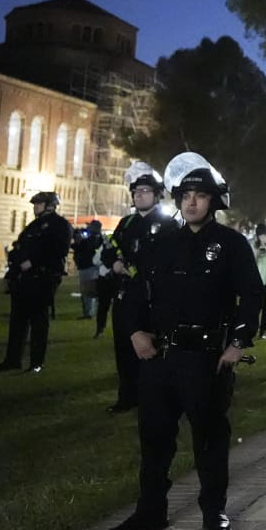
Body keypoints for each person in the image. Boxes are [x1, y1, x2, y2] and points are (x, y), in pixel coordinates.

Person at [104, 152, 261, 530]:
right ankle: (150, 512)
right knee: (154, 439)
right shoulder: (161, 243)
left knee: (209, 439)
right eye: (186, 195)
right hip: (159, 358)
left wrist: (237, 344)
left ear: (213, 201)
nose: (191, 202)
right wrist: (135, 331)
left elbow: (251, 296)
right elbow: (136, 291)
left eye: (200, 195)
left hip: (206, 360)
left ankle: (213, 512)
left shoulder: (230, 244)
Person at [101, 163, 179, 413]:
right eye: (135, 192)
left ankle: (152, 398)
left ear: (157, 195)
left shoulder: (167, 225)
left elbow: (167, 260)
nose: (139, 195)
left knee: (149, 348)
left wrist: (137, 265)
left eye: (145, 191)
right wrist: (115, 263)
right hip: (124, 293)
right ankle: (127, 396)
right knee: (123, 347)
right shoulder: (126, 223)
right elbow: (109, 249)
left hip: (151, 296)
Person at [0, 191, 72, 374]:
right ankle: (12, 360)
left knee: (38, 322)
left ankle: (36, 362)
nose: (35, 207)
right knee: (17, 321)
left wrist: (34, 262)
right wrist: (12, 272)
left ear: (50, 205)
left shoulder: (60, 225)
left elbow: (58, 250)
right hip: (24, 279)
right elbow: (20, 248)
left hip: (43, 278)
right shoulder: (34, 225)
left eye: (39, 204)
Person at [72, 220, 104, 319]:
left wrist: (78, 240)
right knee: (92, 290)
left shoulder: (92, 240)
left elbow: (79, 247)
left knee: (87, 291)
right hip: (93, 267)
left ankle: (88, 313)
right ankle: (91, 312)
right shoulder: (99, 238)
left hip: (87, 267)